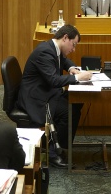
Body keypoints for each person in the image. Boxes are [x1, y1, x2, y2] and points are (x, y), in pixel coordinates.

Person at [16, 24, 92, 168]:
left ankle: (60, 146)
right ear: (65, 38)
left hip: (45, 92)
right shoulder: (45, 52)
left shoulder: (53, 48)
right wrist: (78, 78)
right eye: (73, 45)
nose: (73, 49)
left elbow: (63, 60)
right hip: (36, 98)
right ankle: (52, 153)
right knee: (68, 111)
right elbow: (54, 80)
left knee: (75, 103)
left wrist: (71, 68)